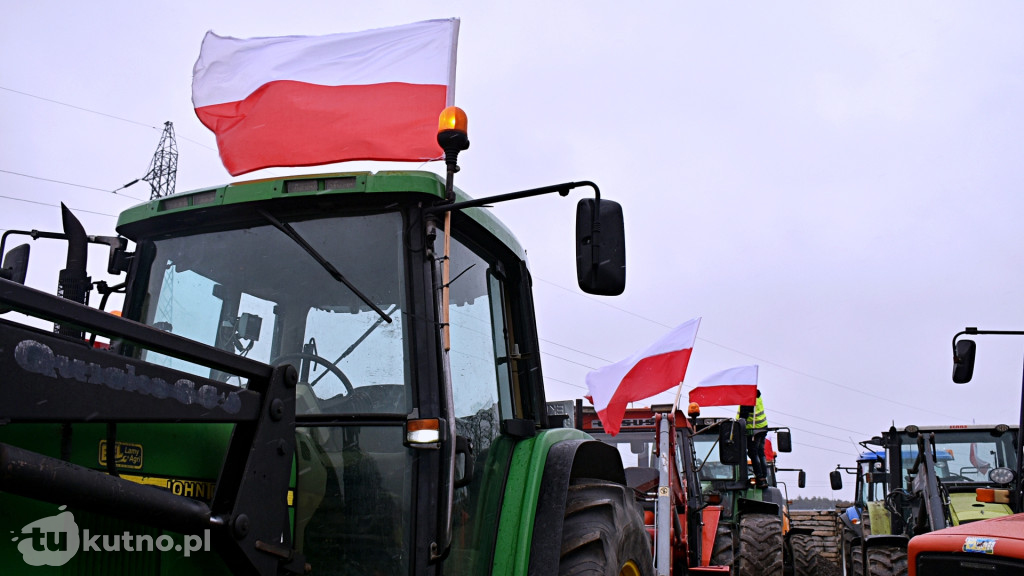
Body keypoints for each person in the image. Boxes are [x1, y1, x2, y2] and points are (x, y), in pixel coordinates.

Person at [738, 389, 769, 488]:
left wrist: (738, 427)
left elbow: (743, 417)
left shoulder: (747, 397)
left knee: (753, 453)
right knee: (760, 452)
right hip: (762, 427)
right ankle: (763, 476)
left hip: (753, 430)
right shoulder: (757, 395)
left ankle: (760, 477)